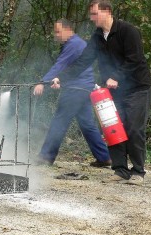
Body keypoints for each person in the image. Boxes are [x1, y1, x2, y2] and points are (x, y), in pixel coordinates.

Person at [52, 0, 151, 185]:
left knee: (133, 129)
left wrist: (116, 77)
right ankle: (120, 170)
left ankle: (138, 171)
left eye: (94, 14)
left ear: (107, 12)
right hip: (115, 92)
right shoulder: (98, 37)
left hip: (137, 89)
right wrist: (61, 77)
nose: (91, 18)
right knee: (112, 126)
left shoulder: (128, 31)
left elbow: (135, 60)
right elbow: (83, 61)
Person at [33, 18, 111, 167]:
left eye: (58, 31)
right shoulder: (75, 43)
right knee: (87, 124)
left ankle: (46, 157)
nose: (56, 35)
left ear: (68, 29)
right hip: (84, 88)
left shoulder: (74, 44)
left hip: (76, 89)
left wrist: (43, 82)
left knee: (59, 122)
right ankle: (104, 157)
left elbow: (59, 65)